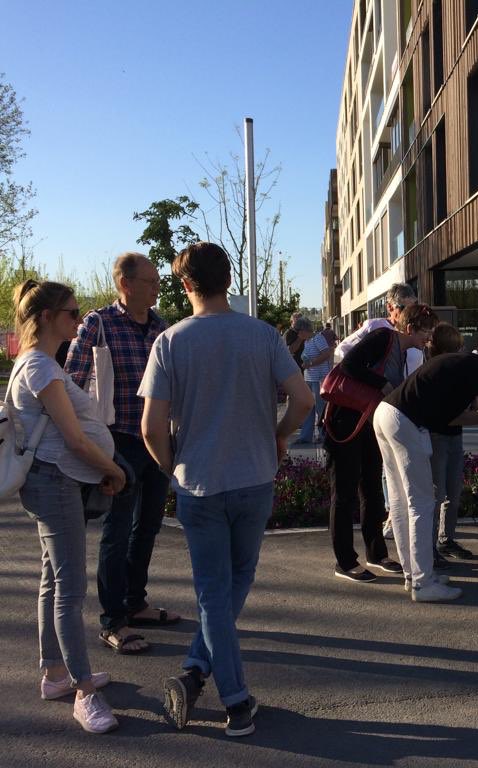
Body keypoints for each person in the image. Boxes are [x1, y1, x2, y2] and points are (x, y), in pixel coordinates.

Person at [139, 242, 312, 737]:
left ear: (185, 285)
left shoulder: (170, 342)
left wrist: (171, 467)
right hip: (254, 476)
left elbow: (151, 427)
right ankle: (228, 694)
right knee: (235, 581)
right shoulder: (263, 335)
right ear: (229, 280)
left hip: (199, 482)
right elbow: (303, 400)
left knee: (213, 591)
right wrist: (279, 436)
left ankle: (209, 680)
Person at [11, 280, 126, 733]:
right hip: (55, 485)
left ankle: (56, 673)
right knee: (70, 590)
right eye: (72, 313)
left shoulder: (38, 362)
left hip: (52, 482)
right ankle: (83, 690)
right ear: (47, 317)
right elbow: (75, 439)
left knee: (52, 581)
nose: (79, 320)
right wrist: (113, 470)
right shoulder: (40, 367)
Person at [373, 332, 478, 602]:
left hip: (386, 413)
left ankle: (413, 576)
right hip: (406, 422)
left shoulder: (463, 364)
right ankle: (423, 584)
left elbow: (455, 419)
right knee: (422, 503)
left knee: (399, 501)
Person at [64, 253, 175, 655]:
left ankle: (135, 602)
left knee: (148, 527)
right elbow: (72, 382)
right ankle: (113, 621)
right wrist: (89, 441)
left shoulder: (162, 328)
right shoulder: (99, 323)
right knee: (117, 531)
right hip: (118, 441)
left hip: (156, 440)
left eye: (158, 280)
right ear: (126, 284)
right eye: (150, 281)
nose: (157, 287)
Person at [326, 303, 437, 583]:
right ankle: (345, 561)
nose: (429, 337)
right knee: (344, 492)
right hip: (346, 421)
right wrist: (382, 383)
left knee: (372, 488)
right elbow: (349, 364)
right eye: (426, 331)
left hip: (370, 422)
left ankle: (376, 553)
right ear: (410, 328)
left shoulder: (405, 353)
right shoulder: (383, 337)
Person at [425, 323, 473, 567]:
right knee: (437, 494)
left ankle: (445, 539)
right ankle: (430, 547)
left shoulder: (457, 369)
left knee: (453, 492)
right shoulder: (434, 370)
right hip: (437, 436)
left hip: (454, 435)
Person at [295, 326, 337, 445]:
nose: (298, 335)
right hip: (309, 378)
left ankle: (324, 435)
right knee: (308, 408)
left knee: (320, 408)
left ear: (304, 330)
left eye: (299, 332)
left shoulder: (318, 339)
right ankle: (306, 436)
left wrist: (310, 363)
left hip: (319, 378)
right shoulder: (307, 341)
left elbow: (326, 354)